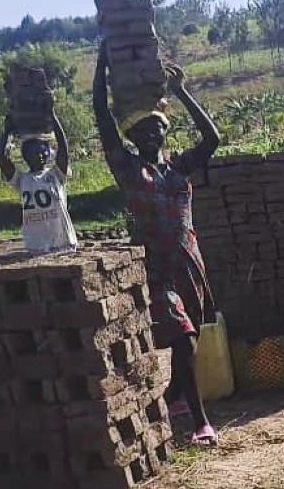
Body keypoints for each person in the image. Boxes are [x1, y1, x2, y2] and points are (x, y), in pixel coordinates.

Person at [93, 41, 222, 448]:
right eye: (140, 130)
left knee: (193, 334)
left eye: (156, 127)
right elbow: (101, 115)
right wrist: (102, 64)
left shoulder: (179, 167)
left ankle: (177, 398)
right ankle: (202, 422)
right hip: (157, 267)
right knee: (182, 335)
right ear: (131, 136)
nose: (149, 133)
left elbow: (213, 138)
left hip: (190, 261)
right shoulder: (129, 169)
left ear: (165, 131)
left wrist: (181, 92)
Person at [0, 113, 77, 254]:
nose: (39, 155)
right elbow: (0, 156)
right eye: (34, 152)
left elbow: (63, 148)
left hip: (63, 243)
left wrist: (53, 117)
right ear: (26, 156)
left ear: (48, 153)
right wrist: (8, 131)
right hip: (36, 245)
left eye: (43, 152)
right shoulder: (21, 179)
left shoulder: (56, 174)